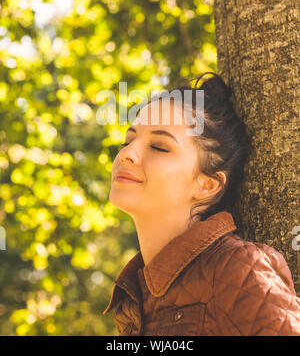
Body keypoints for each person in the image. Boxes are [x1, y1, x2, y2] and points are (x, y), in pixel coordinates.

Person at [103, 72, 300, 336]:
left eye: (159, 147)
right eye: (128, 141)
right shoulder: (133, 297)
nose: (126, 154)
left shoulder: (238, 268)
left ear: (207, 184)